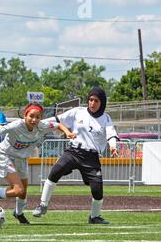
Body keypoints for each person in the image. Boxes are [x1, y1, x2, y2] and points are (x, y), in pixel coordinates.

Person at [0, 104, 75, 224]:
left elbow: (59, 125)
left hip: (21, 159)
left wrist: (68, 133)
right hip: (5, 156)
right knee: (18, 190)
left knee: (23, 191)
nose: (34, 119)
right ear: (25, 115)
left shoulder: (42, 126)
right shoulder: (16, 125)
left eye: (38, 117)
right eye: (31, 116)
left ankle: (18, 213)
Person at [32, 86, 119, 224]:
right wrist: (36, 122)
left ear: (102, 102)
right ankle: (42, 205)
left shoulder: (105, 118)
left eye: (96, 100)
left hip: (91, 157)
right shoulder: (77, 112)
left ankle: (94, 217)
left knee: (97, 190)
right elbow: (56, 119)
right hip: (73, 151)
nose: (92, 103)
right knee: (56, 171)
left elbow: (111, 134)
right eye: (90, 99)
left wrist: (113, 146)